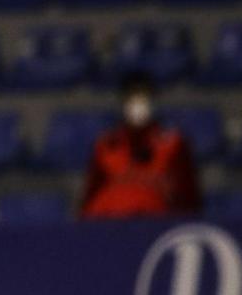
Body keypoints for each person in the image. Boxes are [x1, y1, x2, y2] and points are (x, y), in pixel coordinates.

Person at [79, 74, 201, 220]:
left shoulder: (174, 144)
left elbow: (190, 199)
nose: (138, 105)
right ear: (123, 102)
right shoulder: (105, 146)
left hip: (156, 229)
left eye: (143, 98)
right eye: (132, 98)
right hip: (111, 227)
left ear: (153, 101)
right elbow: (89, 201)